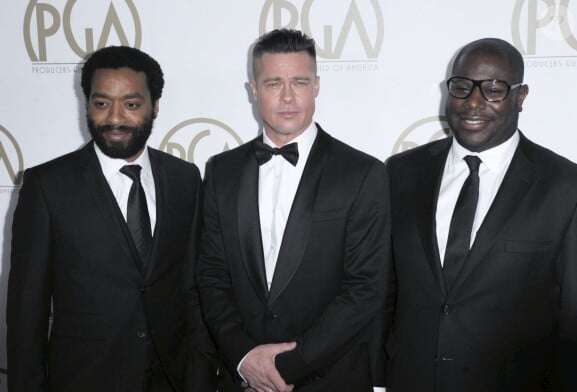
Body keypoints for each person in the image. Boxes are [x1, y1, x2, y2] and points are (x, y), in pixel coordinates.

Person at [6, 46, 217, 392]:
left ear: (155, 106)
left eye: (131, 105)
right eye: (101, 103)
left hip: (174, 378)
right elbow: (26, 313)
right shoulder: (47, 187)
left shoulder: (185, 179)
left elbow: (192, 290)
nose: (114, 118)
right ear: (86, 103)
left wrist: (202, 376)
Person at [196, 29, 389, 392]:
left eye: (299, 81)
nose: (287, 96)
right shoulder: (221, 171)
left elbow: (365, 289)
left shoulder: (363, 173)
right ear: (253, 89)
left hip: (329, 378)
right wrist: (244, 359)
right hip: (244, 379)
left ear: (316, 85)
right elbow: (211, 276)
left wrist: (285, 368)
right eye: (273, 83)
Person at [384, 37, 577, 391]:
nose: (473, 102)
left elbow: (574, 321)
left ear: (520, 97)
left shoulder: (565, 187)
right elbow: (383, 293)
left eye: (493, 89)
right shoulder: (399, 174)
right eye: (461, 87)